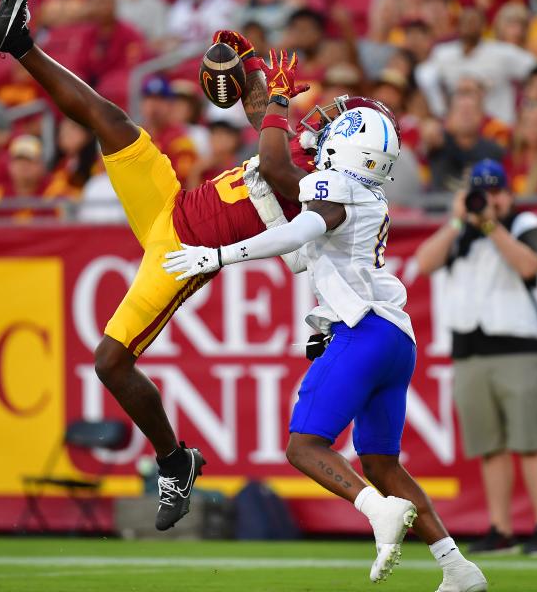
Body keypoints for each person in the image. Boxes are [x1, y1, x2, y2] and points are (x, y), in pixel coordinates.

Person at [0, 0, 329, 531]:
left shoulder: (317, 185)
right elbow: (260, 114)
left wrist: (278, 98)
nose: (324, 124)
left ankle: (174, 461)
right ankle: (18, 43)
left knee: (109, 362)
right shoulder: (299, 151)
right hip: (171, 207)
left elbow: (274, 164)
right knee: (110, 121)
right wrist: (248, 65)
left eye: (335, 126)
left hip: (183, 253)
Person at [162, 100, 488, 592]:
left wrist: (219, 256)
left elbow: (303, 227)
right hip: (395, 338)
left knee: (303, 446)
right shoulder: (370, 197)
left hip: (365, 332)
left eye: (336, 129)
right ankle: (458, 569)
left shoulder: (335, 188)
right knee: (380, 463)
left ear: (350, 146)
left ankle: (378, 512)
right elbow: (303, 253)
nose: (321, 130)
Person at [414, 160, 537, 557]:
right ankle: (501, 527)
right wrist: (458, 222)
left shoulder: (524, 224)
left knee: (529, 441)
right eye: (480, 192)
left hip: (517, 346)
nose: (488, 201)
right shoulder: (462, 232)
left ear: (509, 195)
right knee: (489, 445)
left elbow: (529, 264)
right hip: (469, 350)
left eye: (495, 192)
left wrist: (492, 224)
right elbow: (424, 263)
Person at [417, 7, 536, 124]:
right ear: (458, 25)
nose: (469, 25)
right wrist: (440, 110)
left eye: (474, 21)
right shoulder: (443, 53)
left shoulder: (502, 52)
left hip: (498, 126)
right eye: (466, 21)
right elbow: (424, 75)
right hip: (458, 127)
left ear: (484, 26)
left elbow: (535, 69)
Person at [423, 88, 506, 192]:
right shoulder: (437, 145)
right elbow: (426, 137)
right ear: (449, 116)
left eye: (471, 110)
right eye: (460, 110)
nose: (466, 115)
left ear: (481, 116)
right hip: (440, 207)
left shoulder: (494, 151)